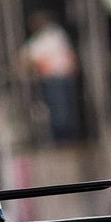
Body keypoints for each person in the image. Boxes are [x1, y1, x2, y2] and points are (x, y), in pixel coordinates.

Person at [22, 11, 82, 144]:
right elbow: (26, 56)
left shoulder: (54, 34)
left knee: (64, 110)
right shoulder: (41, 38)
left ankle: (67, 138)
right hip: (52, 79)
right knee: (57, 110)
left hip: (61, 78)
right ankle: (61, 139)